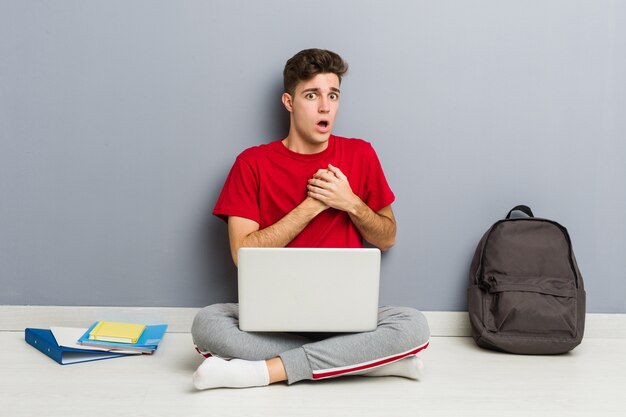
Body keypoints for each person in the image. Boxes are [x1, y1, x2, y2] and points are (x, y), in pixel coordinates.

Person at [191, 48, 430, 390]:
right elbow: (241, 253)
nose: (325, 107)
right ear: (288, 102)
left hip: (347, 320)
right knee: (207, 323)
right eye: (312, 95)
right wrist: (311, 206)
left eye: (333, 95)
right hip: (272, 321)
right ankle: (362, 362)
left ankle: (263, 372)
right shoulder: (252, 163)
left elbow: (387, 236)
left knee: (414, 324)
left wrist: (349, 202)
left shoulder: (360, 154)